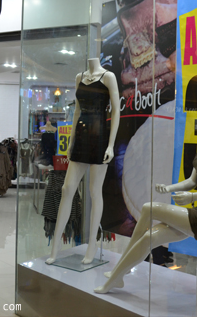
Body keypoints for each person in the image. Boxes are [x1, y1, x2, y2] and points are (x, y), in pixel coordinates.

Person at [95, 118, 197, 293]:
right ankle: (118, 275)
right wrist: (169, 188)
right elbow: (192, 181)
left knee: (149, 208)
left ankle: (116, 274)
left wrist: (193, 196)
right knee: (149, 237)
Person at [46, 58, 120, 265]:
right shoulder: (80, 77)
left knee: (94, 191)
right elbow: (77, 111)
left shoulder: (108, 77)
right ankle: (55, 248)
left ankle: (92, 245)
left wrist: (111, 145)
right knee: (67, 189)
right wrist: (71, 142)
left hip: (100, 135)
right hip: (81, 136)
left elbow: (116, 110)